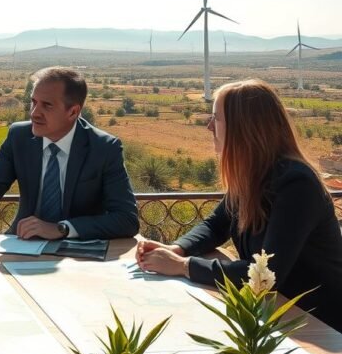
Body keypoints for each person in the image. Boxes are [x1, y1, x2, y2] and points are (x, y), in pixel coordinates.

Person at [136, 80, 342, 332]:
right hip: (279, 313)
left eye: (216, 118)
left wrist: (183, 266)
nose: (208, 126)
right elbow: (215, 225)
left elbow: (264, 275)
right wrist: (177, 248)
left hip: (319, 325)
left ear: (243, 128)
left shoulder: (296, 185)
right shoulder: (253, 175)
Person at [0, 67, 139, 242]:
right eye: (33, 102)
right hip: (22, 245)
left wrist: (62, 228)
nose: (34, 113)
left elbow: (127, 219)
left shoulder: (104, 148)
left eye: (47, 105)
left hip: (78, 253)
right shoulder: (19, 137)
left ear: (73, 112)